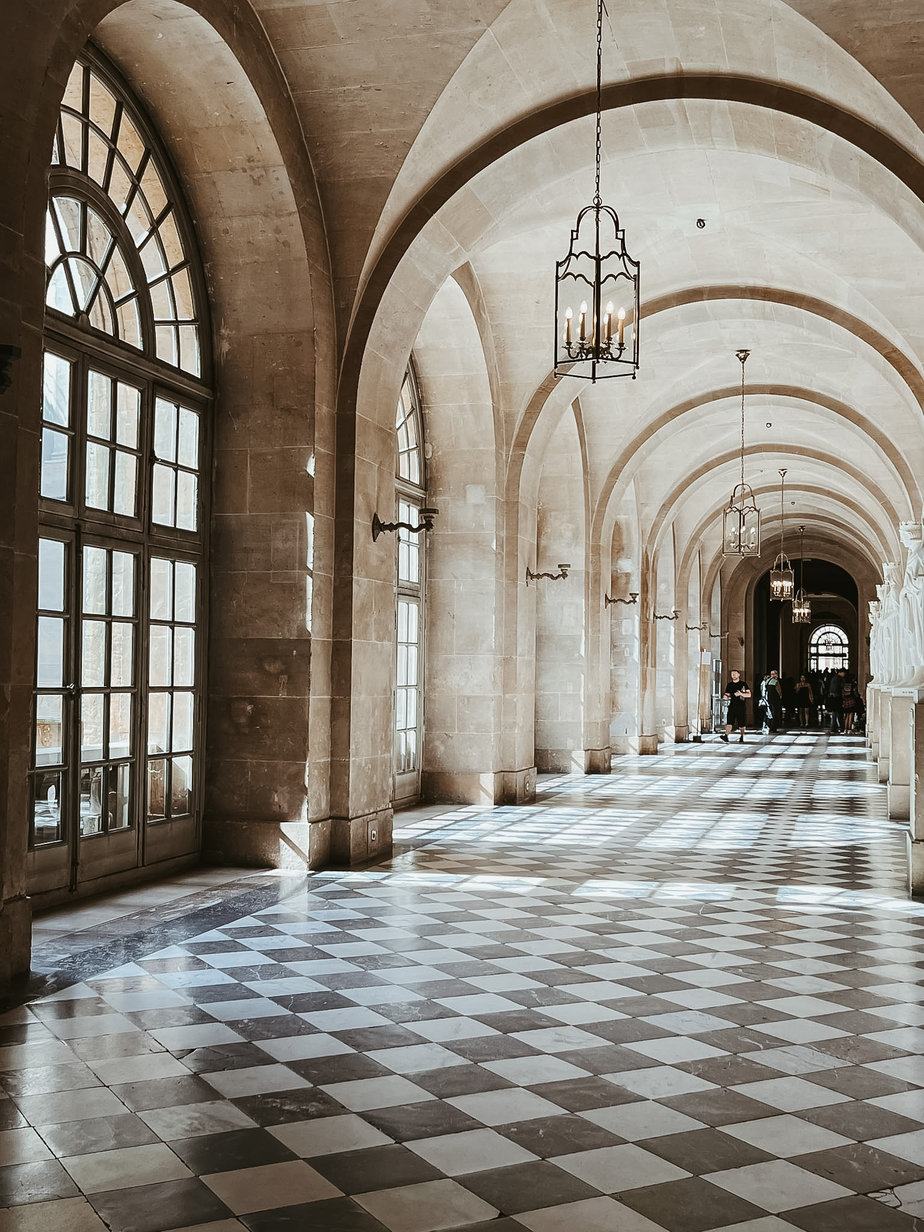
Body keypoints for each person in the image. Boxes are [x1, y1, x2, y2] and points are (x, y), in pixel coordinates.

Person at [721, 669, 751, 743]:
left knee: (741, 722)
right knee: (729, 721)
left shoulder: (743, 684)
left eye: (735, 674)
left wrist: (741, 694)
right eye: (732, 674)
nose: (733, 675)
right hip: (732, 705)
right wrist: (725, 696)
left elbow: (749, 694)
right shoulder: (729, 684)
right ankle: (726, 735)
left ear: (738, 675)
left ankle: (741, 736)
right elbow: (727, 694)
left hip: (741, 706)